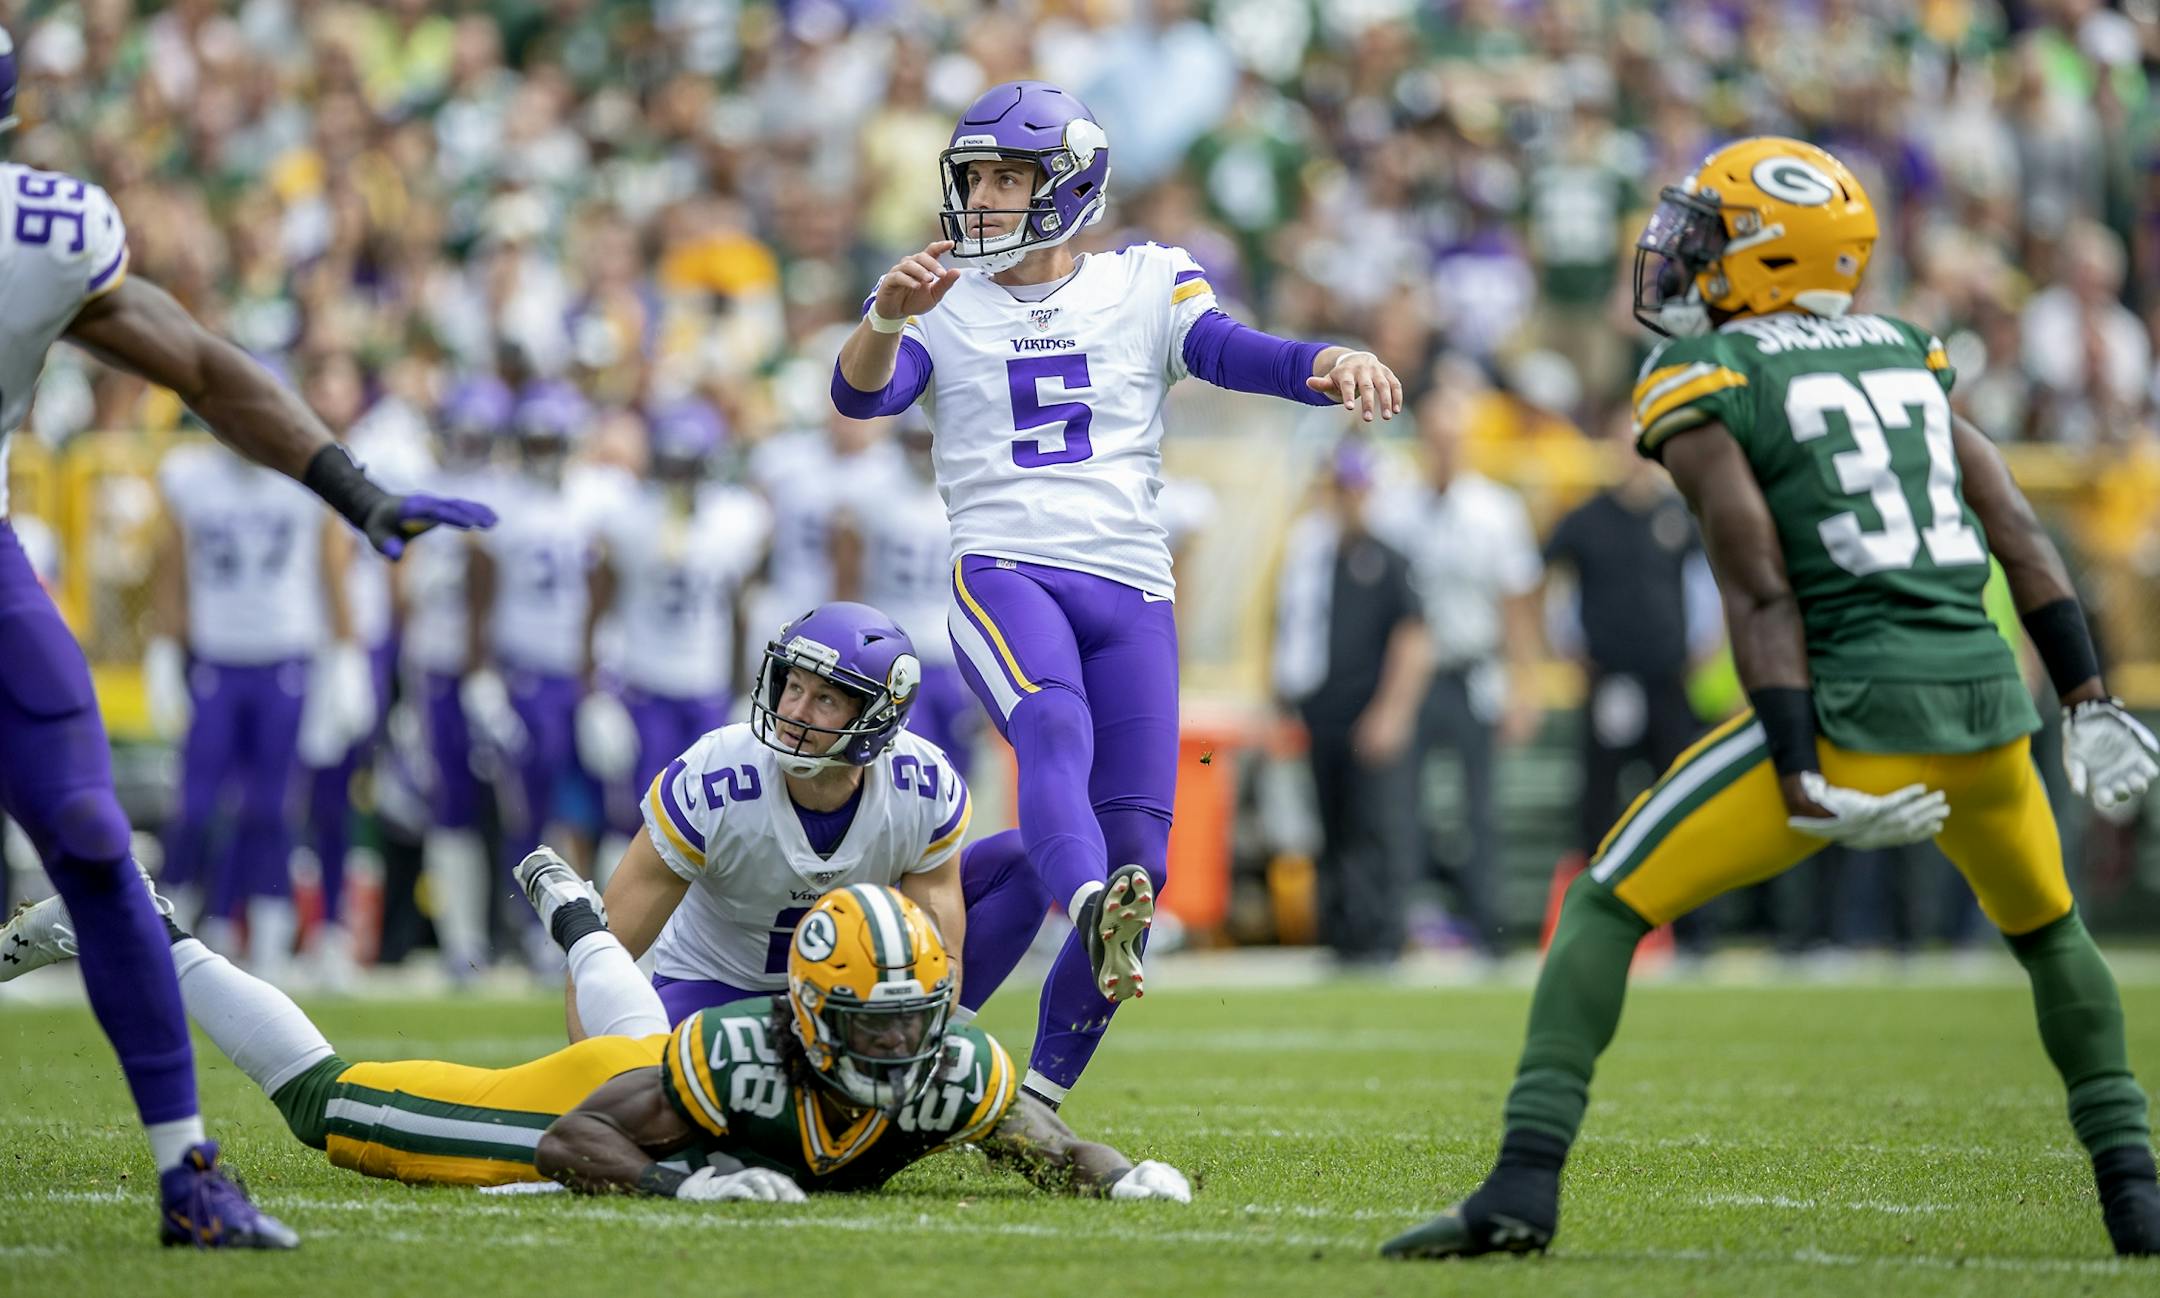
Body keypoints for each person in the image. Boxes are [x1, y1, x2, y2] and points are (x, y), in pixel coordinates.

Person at [1381, 138, 2160, 1261]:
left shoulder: (1713, 375)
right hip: (1991, 707)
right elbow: (2022, 536)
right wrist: (2087, 694)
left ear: (1770, 257)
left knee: (1603, 902)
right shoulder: (1902, 348)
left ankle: (1521, 1185)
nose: (1682, 258)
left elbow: (1756, 583)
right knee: (2051, 933)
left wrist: (1799, 765)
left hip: (1854, 711)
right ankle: (2135, 1195)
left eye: (1708, 237)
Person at [0, 31, 494, 1248]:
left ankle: (189, 1175)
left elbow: (207, 371)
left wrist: (353, 489)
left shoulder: (40, 232)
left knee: (90, 829)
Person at [832, 79, 1401, 1109]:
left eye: (1009, 177)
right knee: (1053, 730)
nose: (986, 197)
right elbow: (860, 392)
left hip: (1133, 588)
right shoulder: (943, 299)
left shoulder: (1146, 279)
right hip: (1005, 568)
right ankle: (1084, 900)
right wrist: (883, 313)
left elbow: (1230, 351)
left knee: (1143, 851)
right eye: (977, 177)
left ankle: (1033, 1102)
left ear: (1068, 185)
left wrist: (1328, 358)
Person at [0, 873, 1193, 1204]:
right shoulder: (738, 1052)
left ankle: (573, 911)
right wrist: (688, 1186)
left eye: (909, 1019)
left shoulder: (942, 1063)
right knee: (328, 1104)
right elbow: (579, 1139)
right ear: (809, 1009)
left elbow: (1044, 1137)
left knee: (642, 1040)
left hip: (661, 1077)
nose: (895, 1046)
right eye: (870, 1021)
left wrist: (1122, 1174)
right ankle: (150, 930)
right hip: (594, 1098)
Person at [579, 600, 1053, 1035]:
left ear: (877, 717)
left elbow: (940, 957)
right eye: (793, 686)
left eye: (825, 699)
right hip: (721, 988)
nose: (794, 712)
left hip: (857, 996)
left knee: (1022, 860)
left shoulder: (921, 783)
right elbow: (602, 957)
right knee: (670, 1096)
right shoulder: (713, 777)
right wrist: (598, 1078)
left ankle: (932, 1055)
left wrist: (914, 1035)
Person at [147, 437, 357, 986]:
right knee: (193, 805)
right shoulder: (189, 476)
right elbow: (169, 566)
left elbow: (333, 571)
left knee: (272, 807)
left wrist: (345, 656)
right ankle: (170, 926)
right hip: (217, 658)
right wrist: (164, 647)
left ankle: (269, 942)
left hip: (285, 658)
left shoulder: (305, 481)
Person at [1371, 387, 1545, 958]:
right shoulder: (1394, 507)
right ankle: (1402, 925)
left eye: (1453, 439)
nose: (1444, 448)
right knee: (1402, 806)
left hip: (1472, 672)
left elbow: (1517, 607)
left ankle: (1488, 927)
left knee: (1480, 808)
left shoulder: (1496, 509)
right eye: (1436, 438)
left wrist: (1526, 688)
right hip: (1412, 678)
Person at [580, 398, 770, 864]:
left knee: (709, 825)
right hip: (643, 687)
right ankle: (615, 933)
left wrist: (744, 690)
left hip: (704, 688)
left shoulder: (737, 521)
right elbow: (596, 612)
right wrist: (596, 692)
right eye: (672, 465)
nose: (679, 479)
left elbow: (741, 613)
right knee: (633, 821)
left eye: (689, 467)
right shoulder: (627, 519)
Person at [1270, 440, 1432, 966]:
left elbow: (1413, 639)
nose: (1348, 500)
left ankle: (1380, 935)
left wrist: (1392, 712)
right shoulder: (1314, 558)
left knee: (1375, 824)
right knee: (1333, 823)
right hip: (1324, 712)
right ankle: (1341, 933)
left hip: (1370, 709)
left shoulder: (1388, 558)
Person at [831, 416, 982, 780]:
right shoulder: (871, 490)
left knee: (955, 770)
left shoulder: (969, 490)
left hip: (952, 651)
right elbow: (847, 575)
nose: (922, 451)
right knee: (902, 769)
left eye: (928, 440)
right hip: (890, 648)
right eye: (915, 441)